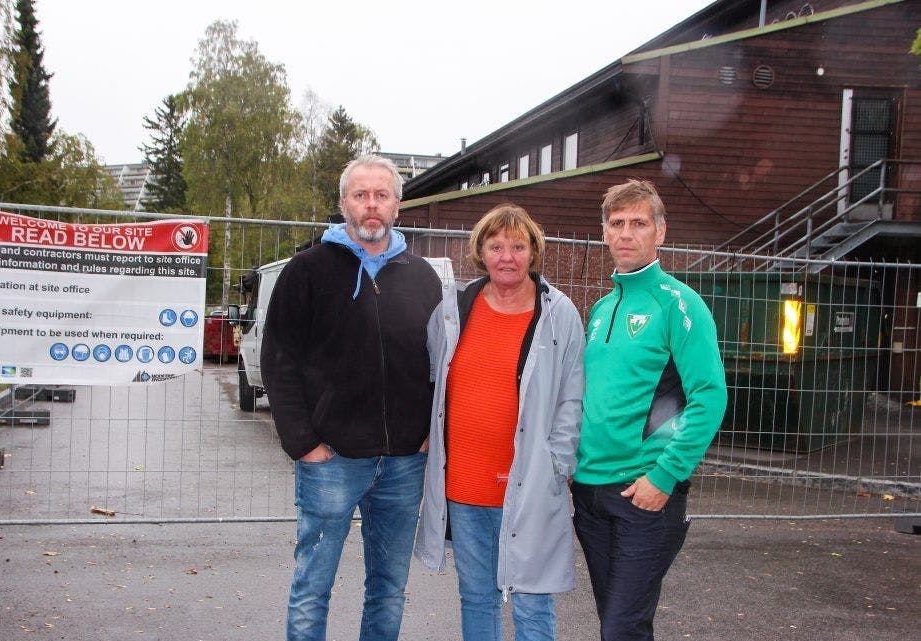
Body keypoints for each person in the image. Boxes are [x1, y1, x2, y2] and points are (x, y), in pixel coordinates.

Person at [261, 154, 442, 641]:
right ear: (344, 203)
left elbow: (440, 362)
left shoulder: (423, 277)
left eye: (382, 195)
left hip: (404, 462)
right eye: (361, 195)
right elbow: (278, 360)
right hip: (331, 460)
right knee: (312, 587)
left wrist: (428, 431)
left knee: (389, 590)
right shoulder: (307, 271)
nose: (371, 205)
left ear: (397, 206)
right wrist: (303, 443)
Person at [414, 203, 586, 641]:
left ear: (533, 252)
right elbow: (432, 377)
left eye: (517, 246)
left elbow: (572, 396)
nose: (507, 257)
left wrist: (558, 462)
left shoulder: (558, 313)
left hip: (529, 485)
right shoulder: (454, 308)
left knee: (531, 601)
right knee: (476, 597)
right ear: (481, 252)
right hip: (465, 487)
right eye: (496, 246)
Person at [572, 179, 728, 641]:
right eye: (617, 223)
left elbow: (709, 397)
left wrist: (664, 476)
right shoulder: (601, 308)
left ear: (660, 232)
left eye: (638, 223)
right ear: (604, 232)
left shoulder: (679, 303)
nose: (626, 233)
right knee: (618, 624)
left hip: (644, 494)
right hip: (590, 493)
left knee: (622, 628)